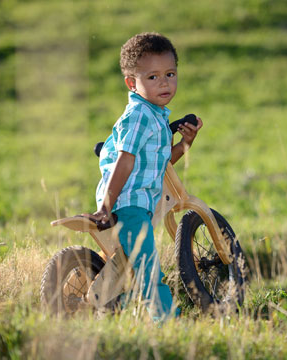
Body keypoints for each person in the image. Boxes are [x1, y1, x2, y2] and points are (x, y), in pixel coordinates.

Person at [88, 32, 202, 321]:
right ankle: (167, 323)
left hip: (137, 202)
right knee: (149, 269)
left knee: (132, 262)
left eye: (170, 73)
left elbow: (160, 164)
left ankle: (115, 308)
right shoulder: (139, 115)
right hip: (128, 203)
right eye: (152, 77)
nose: (164, 82)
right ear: (132, 83)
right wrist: (105, 206)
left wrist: (184, 144)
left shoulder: (156, 116)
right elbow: (125, 162)